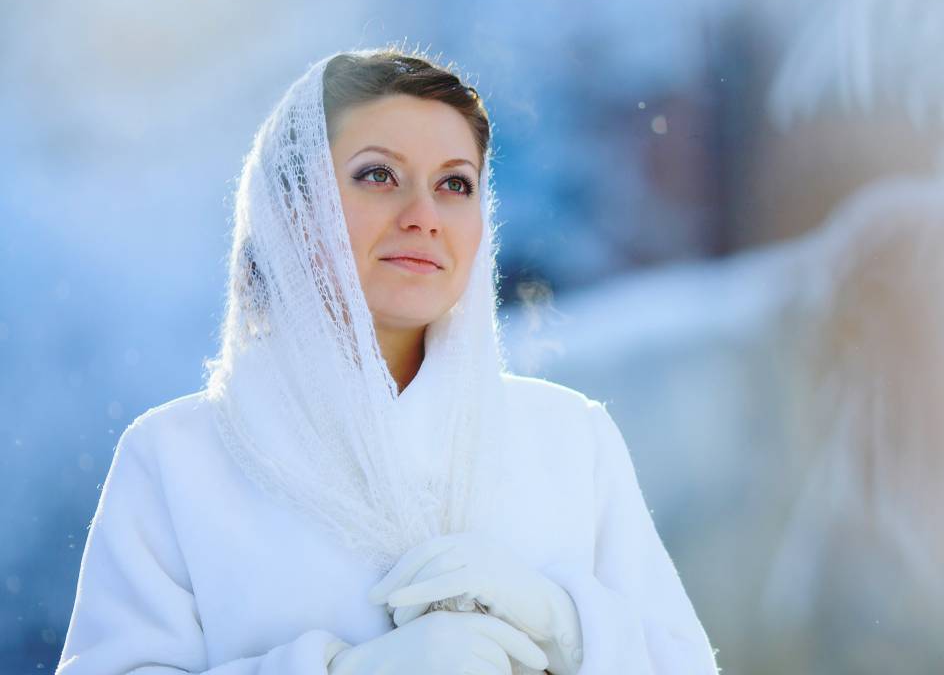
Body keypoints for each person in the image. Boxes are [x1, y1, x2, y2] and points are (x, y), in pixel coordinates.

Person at [55, 47, 720, 675]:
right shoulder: (177, 460)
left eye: (455, 184)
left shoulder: (571, 440)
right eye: (378, 175)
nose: (424, 215)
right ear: (292, 204)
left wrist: (568, 627)